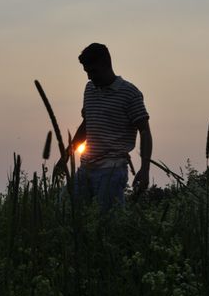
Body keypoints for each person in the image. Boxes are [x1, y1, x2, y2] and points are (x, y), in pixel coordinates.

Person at [56, 43, 152, 210]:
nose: (89, 77)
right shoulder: (90, 89)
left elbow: (145, 132)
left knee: (107, 222)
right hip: (86, 167)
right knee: (67, 211)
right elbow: (87, 124)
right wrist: (66, 154)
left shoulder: (130, 93)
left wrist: (145, 170)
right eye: (86, 72)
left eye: (92, 71)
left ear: (105, 65)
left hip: (112, 169)